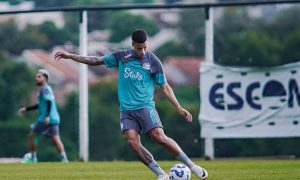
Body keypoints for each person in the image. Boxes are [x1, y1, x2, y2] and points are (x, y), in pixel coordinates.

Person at [55, 29, 207, 179]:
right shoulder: (122, 56)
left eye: (145, 47)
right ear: (133, 44)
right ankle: (161, 175)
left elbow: (165, 86)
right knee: (132, 142)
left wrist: (178, 107)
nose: (143, 51)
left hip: (145, 107)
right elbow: (96, 60)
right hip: (126, 111)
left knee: (159, 137)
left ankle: (193, 166)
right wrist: (70, 56)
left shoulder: (153, 61)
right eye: (139, 48)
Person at [18, 69, 69, 163]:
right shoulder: (47, 89)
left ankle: (33, 158)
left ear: (45, 78)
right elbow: (40, 105)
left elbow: (49, 101)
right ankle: (64, 159)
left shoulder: (44, 88)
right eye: (36, 76)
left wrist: (46, 116)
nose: (36, 78)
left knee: (32, 136)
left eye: (39, 76)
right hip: (54, 118)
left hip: (46, 118)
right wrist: (26, 109)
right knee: (56, 139)